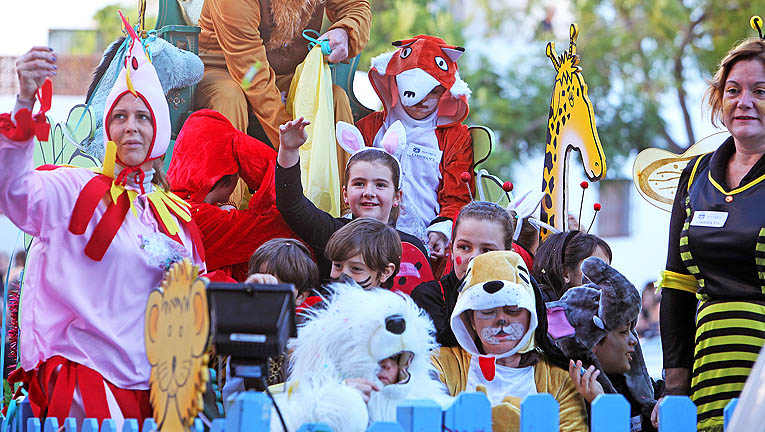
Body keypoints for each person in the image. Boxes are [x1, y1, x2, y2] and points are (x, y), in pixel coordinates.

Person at [1, 36, 203, 426]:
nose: (131, 127)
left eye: (142, 117)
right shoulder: (73, 189)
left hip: (158, 395)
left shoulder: (176, 218)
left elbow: (196, 298)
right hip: (83, 385)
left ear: (159, 127)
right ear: (106, 128)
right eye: (120, 117)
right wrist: (24, 100)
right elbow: (12, 192)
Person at [658, 36, 765, 432]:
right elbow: (677, 285)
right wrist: (674, 387)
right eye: (733, 90)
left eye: (761, 91)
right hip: (708, 374)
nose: (744, 102)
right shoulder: (695, 175)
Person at [432, 251, 587, 431]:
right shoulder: (441, 364)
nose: (501, 320)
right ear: (470, 319)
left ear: (531, 314)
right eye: (487, 311)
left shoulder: (558, 379)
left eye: (512, 309)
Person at [195, 0, 370, 154]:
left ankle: (344, 189)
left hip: (286, 75)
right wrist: (297, 149)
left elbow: (355, 6)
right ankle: (227, 190)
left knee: (333, 98)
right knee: (229, 97)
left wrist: (345, 30)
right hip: (224, 71)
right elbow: (252, 75)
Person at [354, 35, 473, 251]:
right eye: (416, 91)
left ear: (445, 91)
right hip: (368, 241)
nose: (422, 100)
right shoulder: (370, 127)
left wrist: (443, 229)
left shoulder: (455, 136)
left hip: (427, 244)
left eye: (433, 92)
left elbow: (458, 196)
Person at [275, 117, 429, 283]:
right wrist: (289, 150)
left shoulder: (411, 247)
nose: (368, 192)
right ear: (345, 194)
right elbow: (292, 205)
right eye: (359, 183)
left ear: (397, 197)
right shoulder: (332, 232)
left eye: (380, 185)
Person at [167, 110, 298, 281]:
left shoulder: (168, 203)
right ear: (227, 179)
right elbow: (287, 214)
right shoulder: (211, 219)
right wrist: (241, 149)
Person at [547, 257, 660, 432]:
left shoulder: (645, 391)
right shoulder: (568, 398)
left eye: (632, 330)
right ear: (590, 343)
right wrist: (601, 404)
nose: (634, 340)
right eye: (623, 332)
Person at [222, 237, 319, 401]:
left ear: (301, 296)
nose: (270, 295)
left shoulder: (306, 335)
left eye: (279, 288)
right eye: (263, 286)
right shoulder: (243, 328)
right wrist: (249, 300)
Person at [410, 201, 515, 347]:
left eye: (487, 250)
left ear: (508, 255)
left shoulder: (521, 299)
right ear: (452, 250)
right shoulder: (428, 296)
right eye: (464, 247)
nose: (473, 258)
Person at [532, 230, 612, 302]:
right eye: (595, 269)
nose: (608, 278)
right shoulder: (539, 309)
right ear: (565, 274)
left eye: (608, 270)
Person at [325, 217, 402, 289]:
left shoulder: (389, 304)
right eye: (338, 265)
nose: (343, 275)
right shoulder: (322, 303)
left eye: (356, 268)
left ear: (385, 272)